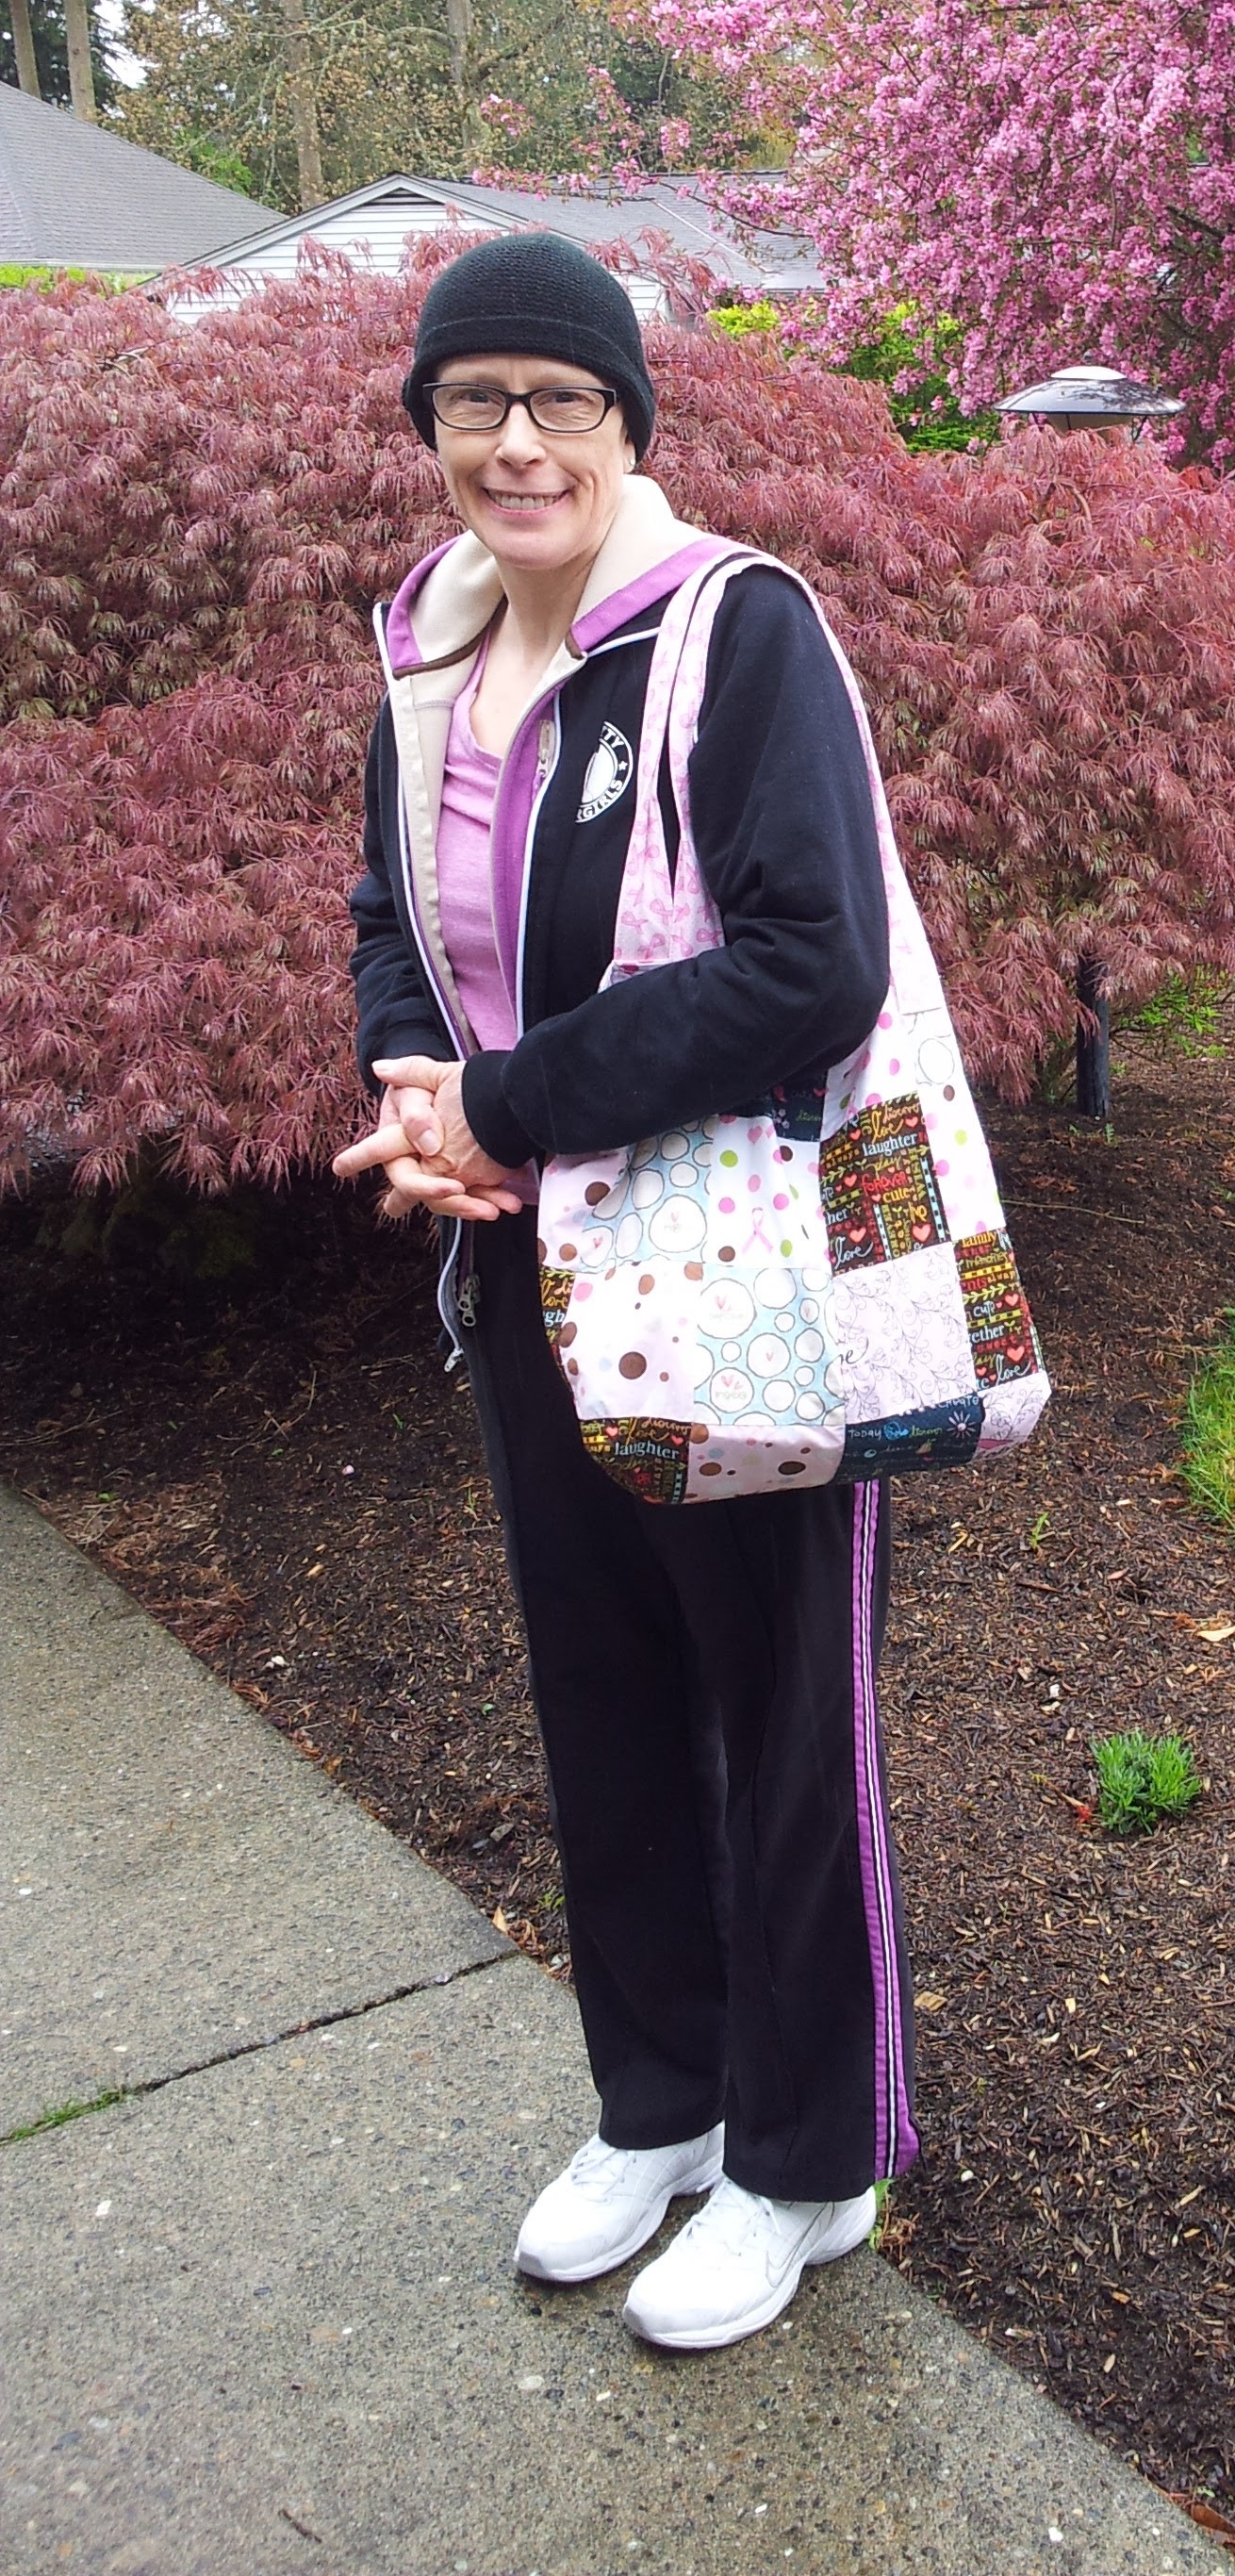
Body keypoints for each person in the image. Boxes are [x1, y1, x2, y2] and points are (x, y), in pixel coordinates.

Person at [332, 234, 913, 2353]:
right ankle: (659, 2103)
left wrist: (506, 1105)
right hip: (530, 1280)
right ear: (428, 430)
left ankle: (803, 2162)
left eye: (558, 400)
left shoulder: (732, 634)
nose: (513, 440)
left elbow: (807, 963)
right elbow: (394, 923)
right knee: (601, 1713)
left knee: (780, 1727)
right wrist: (422, 1098)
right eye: (471, 400)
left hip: (738, 1281)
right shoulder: (428, 648)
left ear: (627, 425)